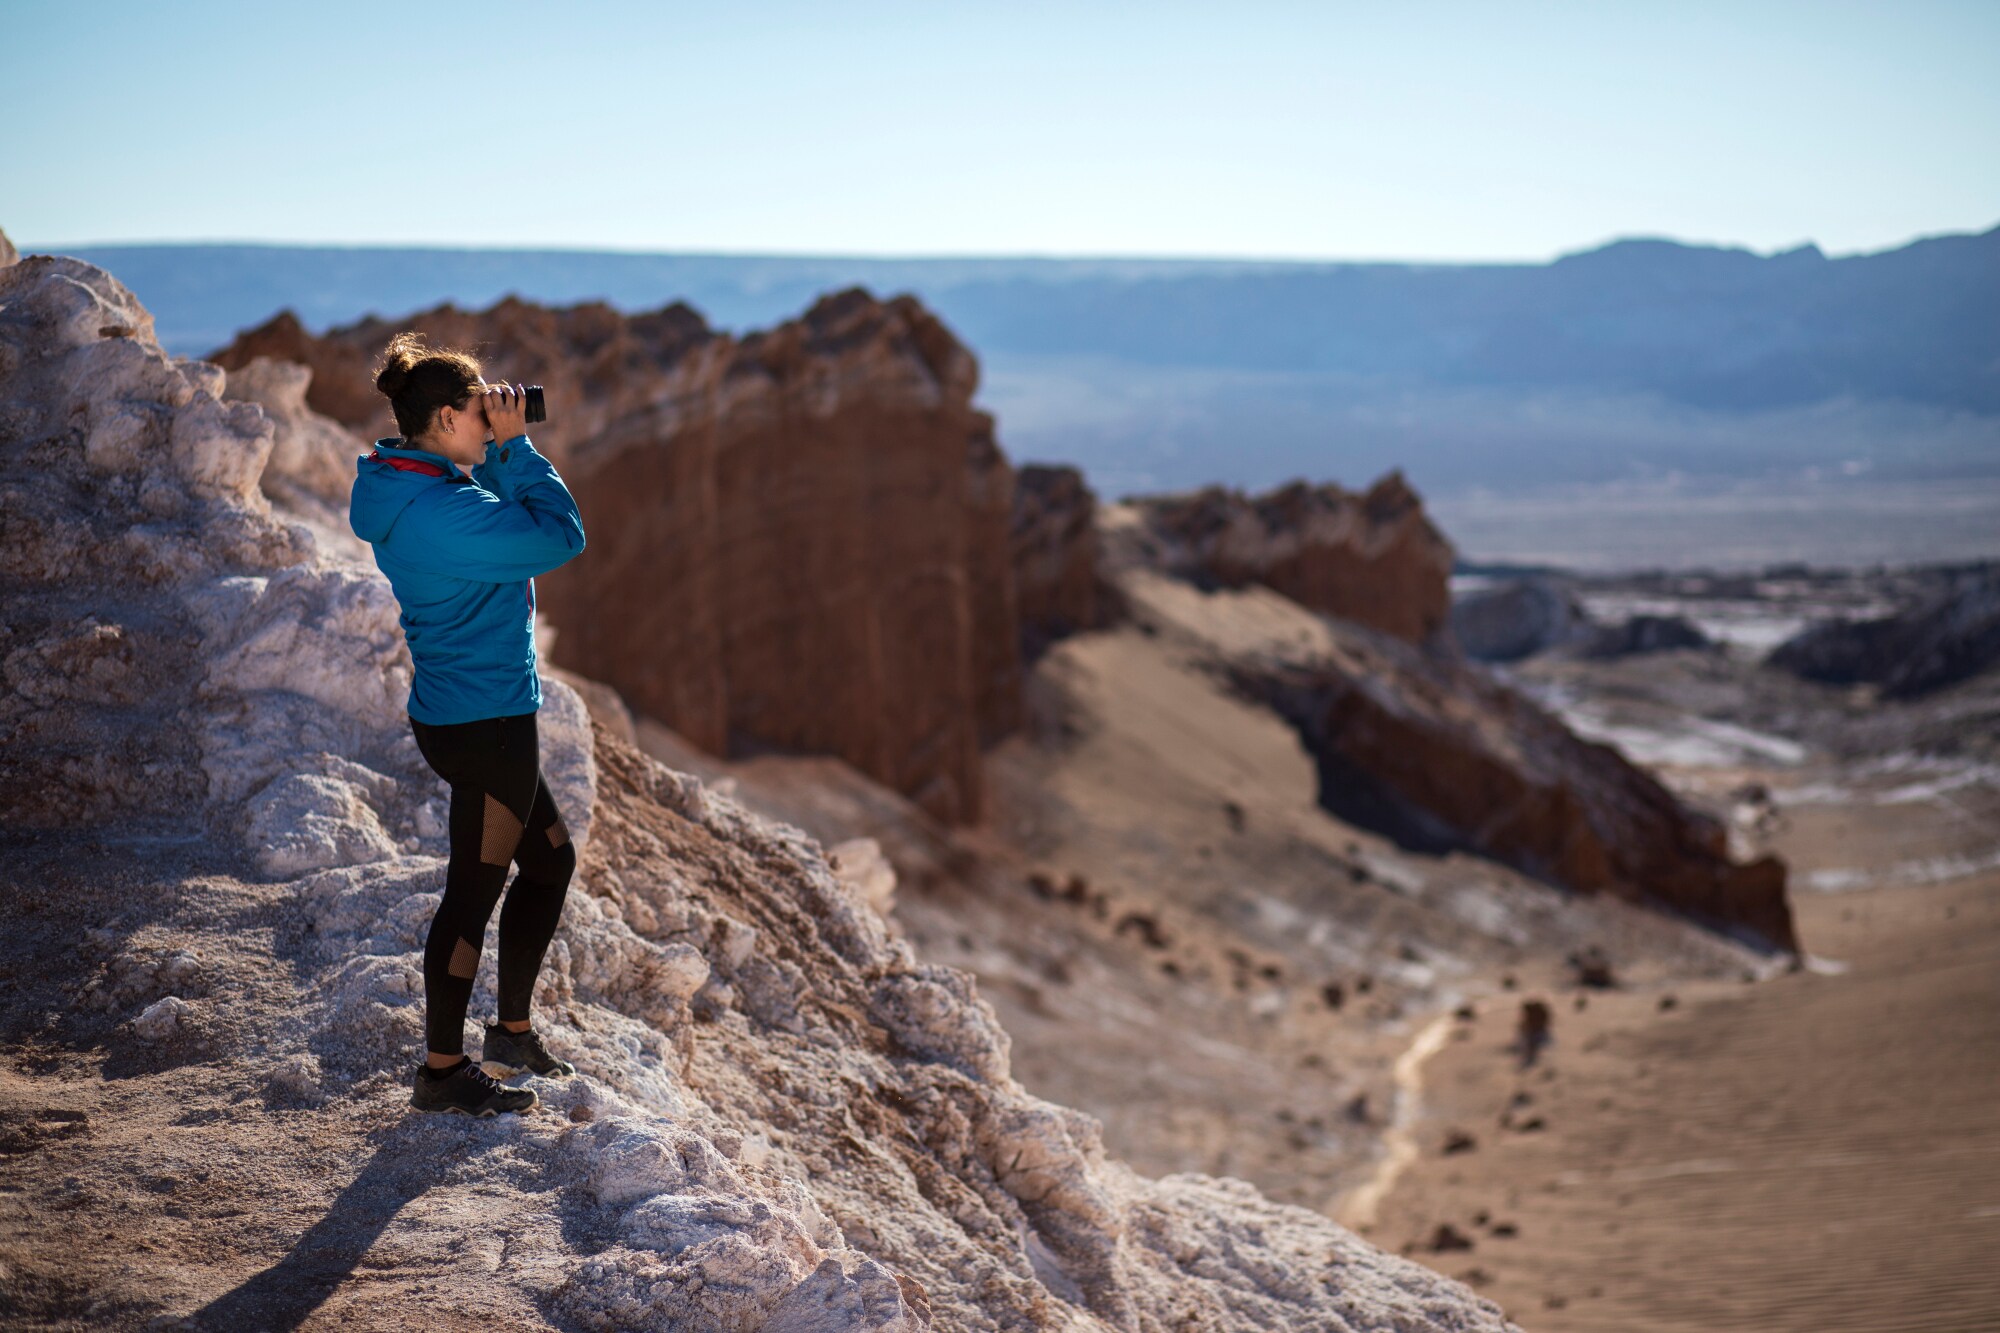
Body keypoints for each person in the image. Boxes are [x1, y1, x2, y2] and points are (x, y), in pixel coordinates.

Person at [348, 331, 587, 1117]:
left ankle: (510, 1032)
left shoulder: (415, 483)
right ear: (448, 417)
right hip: (487, 724)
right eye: (481, 409)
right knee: (470, 898)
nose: (494, 419)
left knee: (549, 860)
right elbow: (560, 536)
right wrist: (517, 453)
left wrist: (500, 450)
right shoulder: (443, 512)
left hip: (469, 713)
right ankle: (443, 1070)